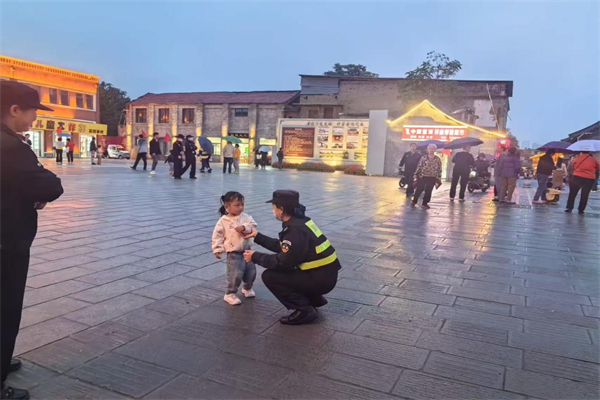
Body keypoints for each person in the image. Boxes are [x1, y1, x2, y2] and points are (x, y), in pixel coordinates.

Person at [1, 80, 64, 400]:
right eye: (32, 111)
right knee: (5, 309)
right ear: (15, 110)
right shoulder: (10, 146)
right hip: (6, 240)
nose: (35, 118)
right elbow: (50, 186)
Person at [242, 190, 341, 325]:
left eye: (274, 207)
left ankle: (304, 310)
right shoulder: (301, 222)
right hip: (325, 275)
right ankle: (314, 299)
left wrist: (255, 257)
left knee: (270, 277)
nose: (273, 210)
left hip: (320, 280)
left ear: (281, 209)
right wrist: (257, 236)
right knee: (288, 272)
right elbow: (285, 248)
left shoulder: (294, 231)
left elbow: (283, 262)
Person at [212, 192, 258, 306]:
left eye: (242, 204)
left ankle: (247, 287)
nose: (240, 207)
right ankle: (230, 293)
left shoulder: (246, 217)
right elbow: (217, 235)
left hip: (247, 251)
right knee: (235, 274)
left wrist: (244, 227)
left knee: (251, 271)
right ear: (227, 206)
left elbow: (253, 226)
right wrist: (217, 249)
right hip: (233, 253)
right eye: (237, 205)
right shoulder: (223, 221)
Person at [411, 144, 442, 209]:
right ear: (427, 150)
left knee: (429, 190)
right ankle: (414, 201)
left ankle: (425, 203)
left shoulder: (437, 159)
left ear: (435, 150)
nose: (431, 150)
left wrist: (439, 177)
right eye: (430, 148)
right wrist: (415, 174)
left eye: (433, 148)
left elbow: (439, 169)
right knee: (419, 189)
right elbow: (419, 166)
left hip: (432, 177)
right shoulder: (423, 157)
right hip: (423, 176)